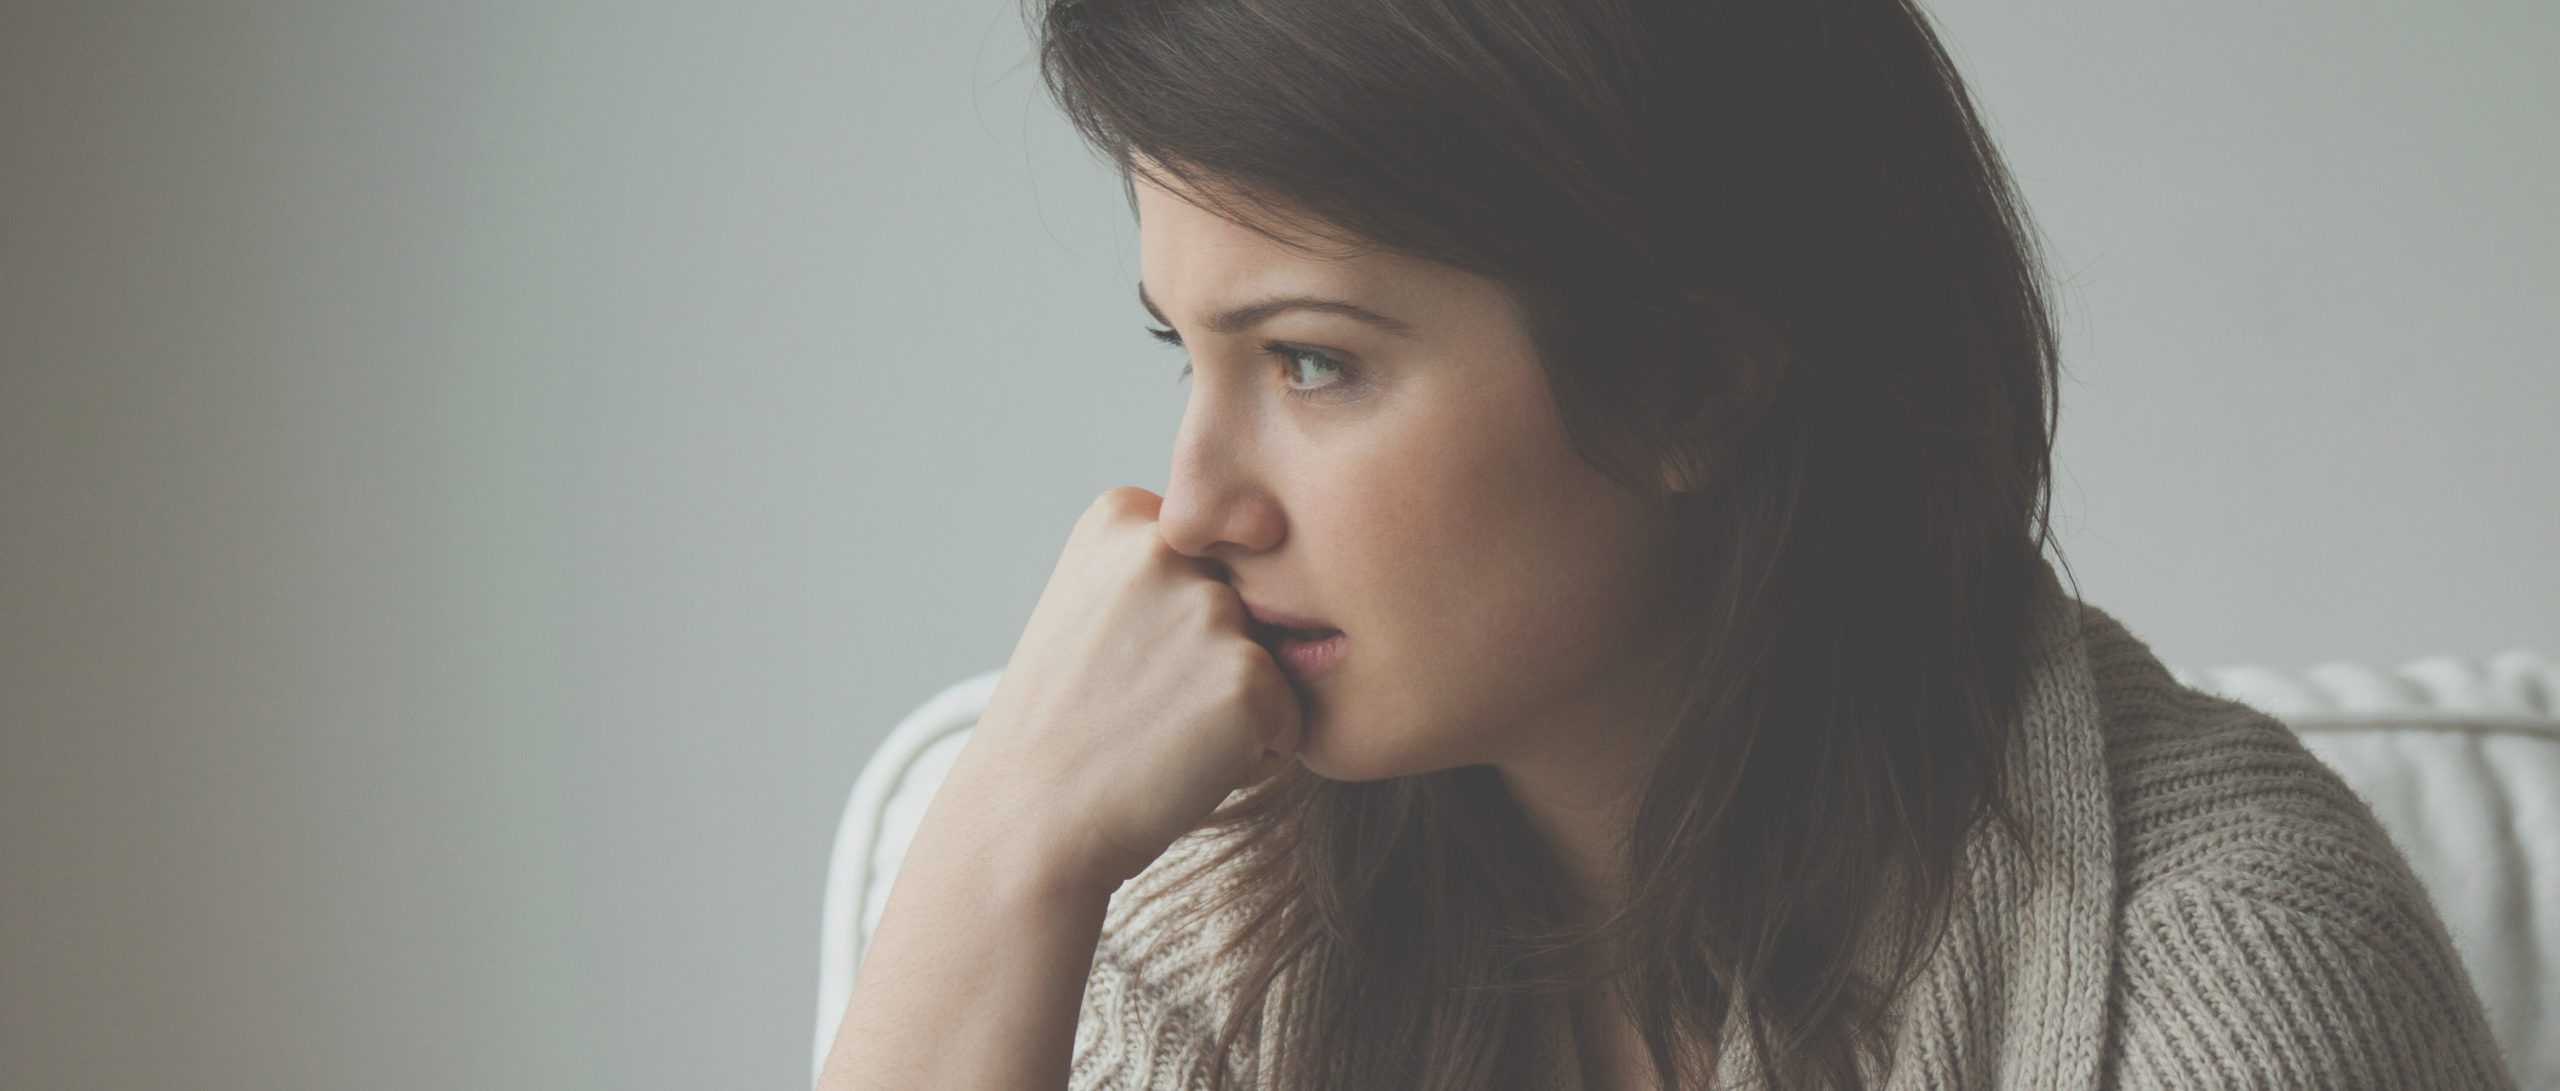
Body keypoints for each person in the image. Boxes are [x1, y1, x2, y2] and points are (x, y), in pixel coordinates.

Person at [816, 0, 2519, 1088]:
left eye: (1314, 362)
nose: (1193, 509)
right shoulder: (1182, 944)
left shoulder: (2227, 971)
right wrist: (999, 858)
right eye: (1182, 354)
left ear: (1692, 378)